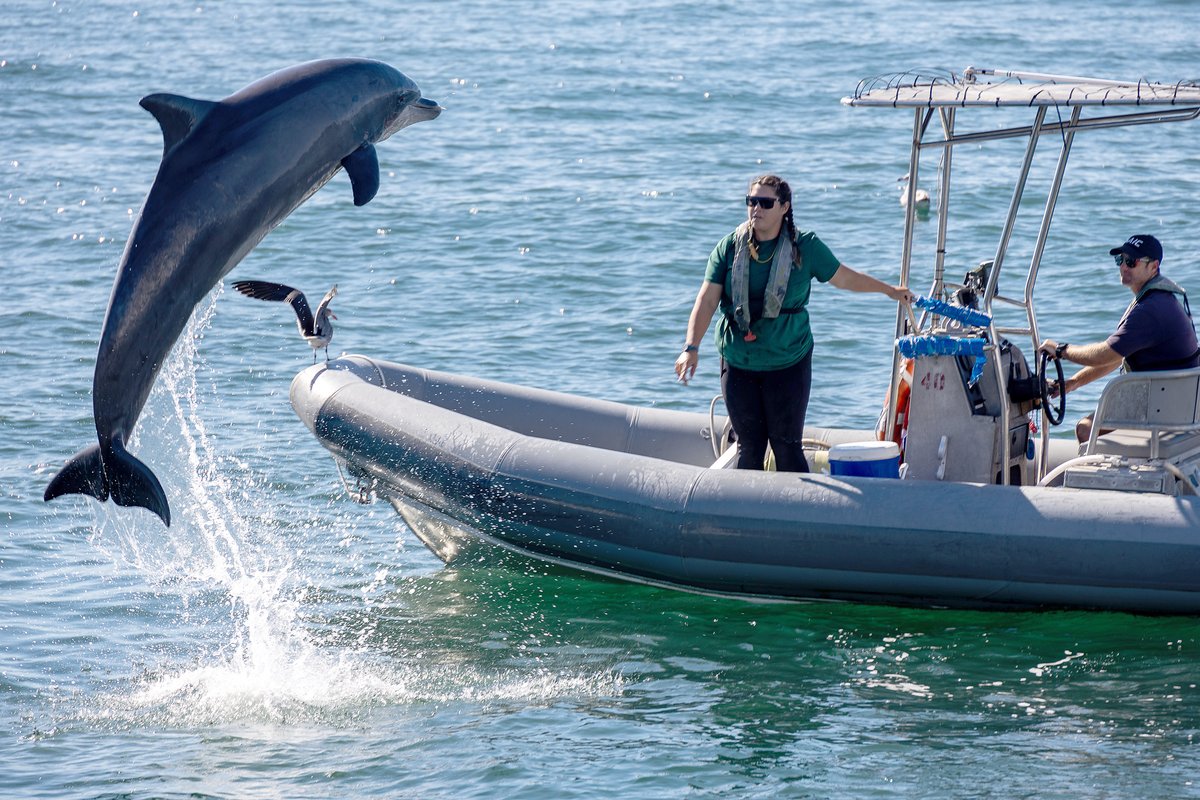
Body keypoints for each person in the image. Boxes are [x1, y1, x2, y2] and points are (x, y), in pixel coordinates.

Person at [674, 174, 912, 472]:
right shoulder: (729, 247)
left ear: (784, 207)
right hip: (738, 361)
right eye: (751, 202)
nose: (756, 209)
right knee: (749, 447)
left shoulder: (805, 246)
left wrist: (888, 290)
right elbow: (707, 300)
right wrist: (690, 347)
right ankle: (747, 514)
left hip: (788, 361)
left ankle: (796, 510)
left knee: (786, 445)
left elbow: (843, 277)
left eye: (765, 202)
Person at [1039, 234, 1199, 443]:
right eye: (1120, 260)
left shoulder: (1150, 310)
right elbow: (1116, 357)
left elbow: (1105, 354)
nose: (1124, 267)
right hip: (1178, 405)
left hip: (1162, 411)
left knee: (1085, 429)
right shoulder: (1159, 299)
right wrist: (1072, 383)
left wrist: (1061, 350)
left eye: (1131, 261)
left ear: (1154, 266)